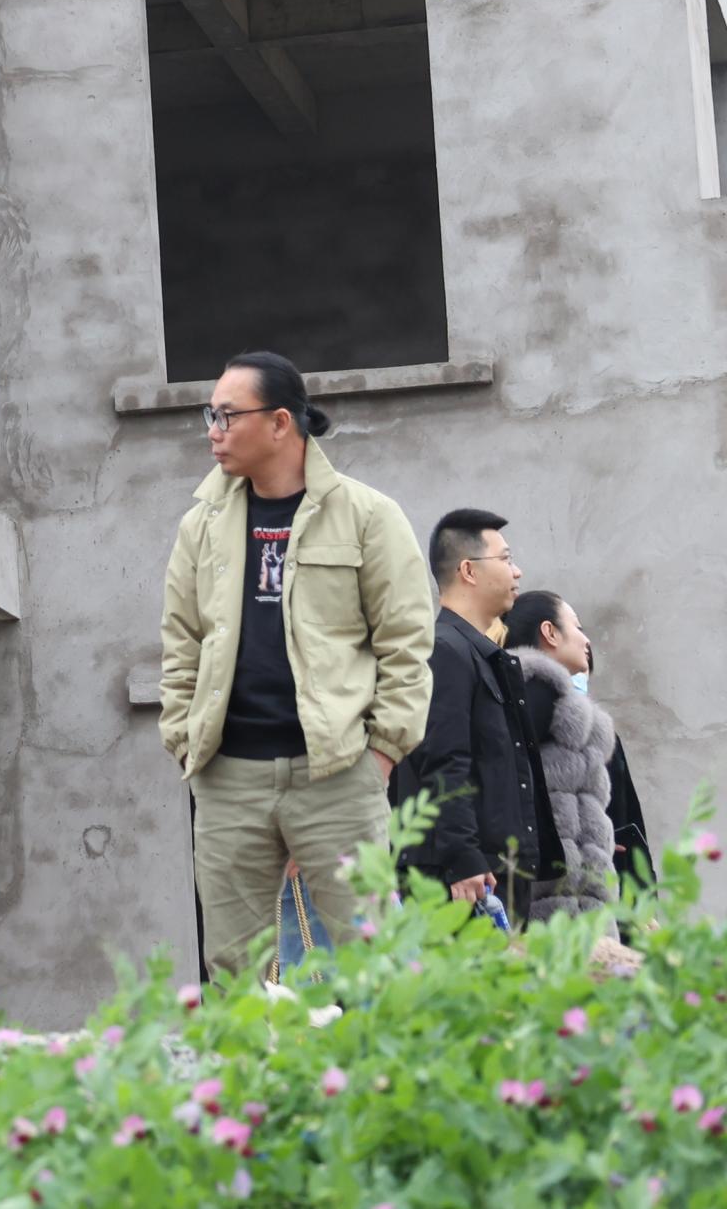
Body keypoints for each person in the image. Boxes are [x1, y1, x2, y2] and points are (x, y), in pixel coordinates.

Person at [159, 350, 433, 976]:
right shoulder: (200, 526)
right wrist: (184, 739)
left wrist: (381, 756)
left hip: (337, 775)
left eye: (227, 415)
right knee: (235, 970)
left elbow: (407, 643)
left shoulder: (368, 515)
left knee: (377, 962)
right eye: (210, 415)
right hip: (228, 779)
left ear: (281, 422)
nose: (213, 431)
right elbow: (181, 642)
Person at [394, 510, 563, 918]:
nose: (517, 572)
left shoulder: (479, 654)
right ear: (469, 570)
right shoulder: (445, 651)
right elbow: (443, 761)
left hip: (493, 872)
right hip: (464, 882)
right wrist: (462, 857)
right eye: (506, 559)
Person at [503, 590, 654, 918]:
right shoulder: (531, 701)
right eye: (578, 627)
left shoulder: (580, 723)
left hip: (587, 898)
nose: (586, 640)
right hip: (557, 902)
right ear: (549, 632)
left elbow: (624, 817)